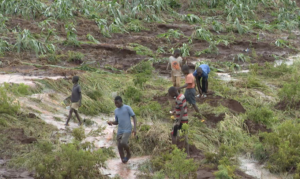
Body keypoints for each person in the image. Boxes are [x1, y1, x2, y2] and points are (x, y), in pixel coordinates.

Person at [107, 96, 137, 164]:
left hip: (127, 129)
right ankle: (123, 160)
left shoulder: (127, 108)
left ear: (121, 102)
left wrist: (134, 129)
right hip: (120, 130)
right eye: (115, 103)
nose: (116, 105)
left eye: (117, 103)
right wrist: (111, 122)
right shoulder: (116, 111)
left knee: (123, 142)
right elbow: (117, 122)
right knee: (119, 146)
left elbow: (134, 117)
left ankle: (129, 154)